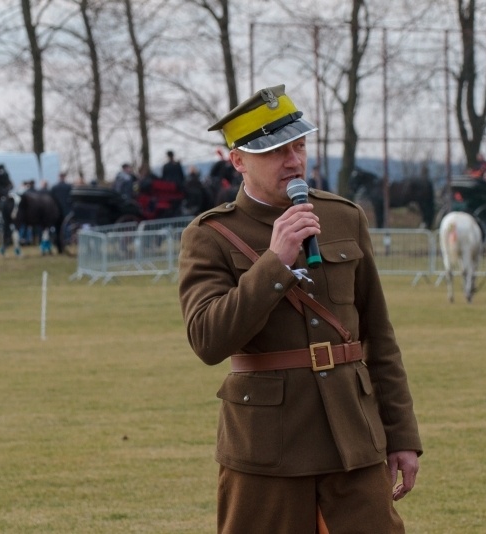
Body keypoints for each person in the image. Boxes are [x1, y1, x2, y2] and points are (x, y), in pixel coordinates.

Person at [178, 84, 422, 534]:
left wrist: (402, 436)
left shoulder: (344, 217)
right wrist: (275, 262)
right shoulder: (209, 234)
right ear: (238, 160)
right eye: (275, 151)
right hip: (266, 446)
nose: (293, 161)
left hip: (353, 436)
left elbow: (380, 337)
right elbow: (208, 340)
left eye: (299, 146)